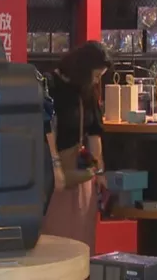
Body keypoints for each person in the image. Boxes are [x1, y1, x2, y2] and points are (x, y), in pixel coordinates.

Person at [41, 40, 110, 254]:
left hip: (80, 176)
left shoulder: (87, 92)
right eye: (96, 75)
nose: (97, 81)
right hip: (54, 176)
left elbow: (94, 133)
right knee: (55, 241)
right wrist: (55, 166)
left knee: (83, 241)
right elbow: (46, 128)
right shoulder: (49, 85)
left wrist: (100, 171)